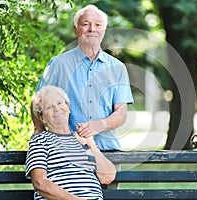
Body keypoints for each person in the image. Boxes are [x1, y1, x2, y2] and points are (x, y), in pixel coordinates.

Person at [32, 4, 134, 151]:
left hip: (108, 151)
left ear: (103, 31)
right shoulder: (58, 64)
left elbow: (121, 113)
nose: (92, 29)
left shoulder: (118, 68)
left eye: (98, 25)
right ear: (76, 30)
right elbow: (37, 102)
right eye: (86, 24)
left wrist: (100, 124)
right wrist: (40, 132)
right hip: (67, 152)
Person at [25, 85, 116, 200]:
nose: (57, 109)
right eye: (49, 107)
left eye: (59, 103)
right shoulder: (40, 141)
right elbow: (40, 183)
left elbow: (107, 177)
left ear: (68, 107)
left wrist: (91, 145)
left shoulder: (82, 140)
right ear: (42, 118)